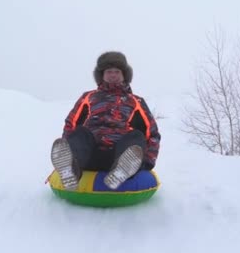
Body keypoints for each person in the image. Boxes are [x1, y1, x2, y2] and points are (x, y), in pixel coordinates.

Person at [50, 51, 161, 191]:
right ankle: (70, 169)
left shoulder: (135, 101)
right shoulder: (88, 97)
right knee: (81, 132)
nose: (113, 75)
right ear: (102, 75)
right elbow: (70, 125)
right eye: (109, 71)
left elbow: (152, 133)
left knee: (136, 135)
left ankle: (123, 170)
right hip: (88, 156)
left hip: (117, 158)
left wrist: (147, 162)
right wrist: (68, 147)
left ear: (124, 75)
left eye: (117, 71)